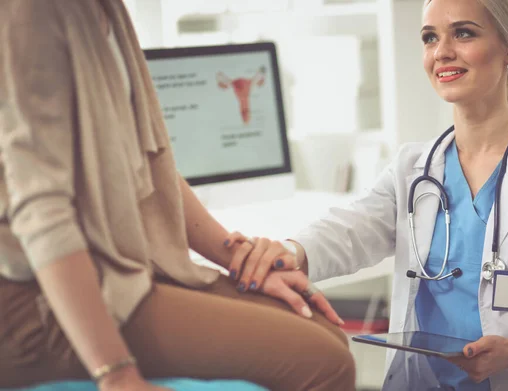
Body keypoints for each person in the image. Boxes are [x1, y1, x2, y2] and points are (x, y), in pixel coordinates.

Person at [225, 0, 508, 389]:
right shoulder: (412, 169)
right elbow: (352, 228)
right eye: (430, 38)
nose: (442, 52)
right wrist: (291, 252)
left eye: (464, 33)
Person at [0, 1, 356, 391]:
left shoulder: (107, 9)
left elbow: (149, 159)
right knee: (325, 364)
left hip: (116, 268)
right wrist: (116, 374)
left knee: (322, 331)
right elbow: (41, 211)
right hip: (33, 297)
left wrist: (242, 260)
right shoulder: (31, 10)